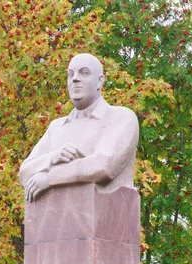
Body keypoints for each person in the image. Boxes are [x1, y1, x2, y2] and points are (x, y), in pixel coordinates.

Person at [19, 53, 139, 203]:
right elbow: (24, 173)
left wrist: (50, 178)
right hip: (54, 219)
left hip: (104, 215)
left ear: (99, 81)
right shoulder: (56, 127)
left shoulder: (120, 117)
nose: (75, 78)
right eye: (70, 74)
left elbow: (104, 165)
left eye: (84, 72)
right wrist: (53, 158)